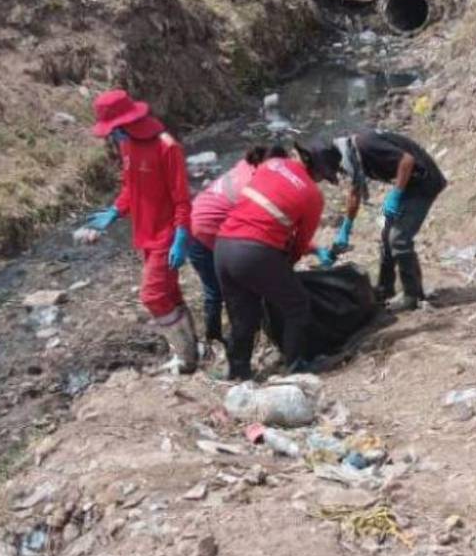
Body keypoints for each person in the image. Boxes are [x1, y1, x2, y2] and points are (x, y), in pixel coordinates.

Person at [84, 89, 199, 374]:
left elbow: (181, 199)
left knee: (152, 295)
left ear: (127, 123)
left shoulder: (166, 147)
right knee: (169, 293)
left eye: (114, 131)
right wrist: (114, 211)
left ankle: (185, 358)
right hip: (145, 234)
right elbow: (130, 187)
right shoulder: (127, 145)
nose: (112, 138)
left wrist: (182, 235)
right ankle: (191, 353)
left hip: (167, 235)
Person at [214, 144, 332, 381]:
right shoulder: (312, 195)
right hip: (255, 252)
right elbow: (298, 243)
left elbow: (261, 212)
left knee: (242, 315)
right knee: (297, 304)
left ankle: (238, 372)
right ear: (317, 171)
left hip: (223, 246)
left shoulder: (271, 164)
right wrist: (287, 266)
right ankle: (295, 366)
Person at [311, 130, 446, 311]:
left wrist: (396, 194)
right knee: (385, 235)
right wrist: (345, 228)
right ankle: (385, 289)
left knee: (398, 239)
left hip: (423, 183)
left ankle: (412, 295)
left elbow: (406, 160)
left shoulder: (366, 145)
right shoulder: (352, 156)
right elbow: (355, 192)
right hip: (408, 185)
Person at [188, 145, 288, 357]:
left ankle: (227, 333)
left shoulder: (245, 166)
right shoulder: (250, 185)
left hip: (197, 220)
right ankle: (215, 338)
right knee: (218, 289)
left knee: (228, 283)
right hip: (202, 232)